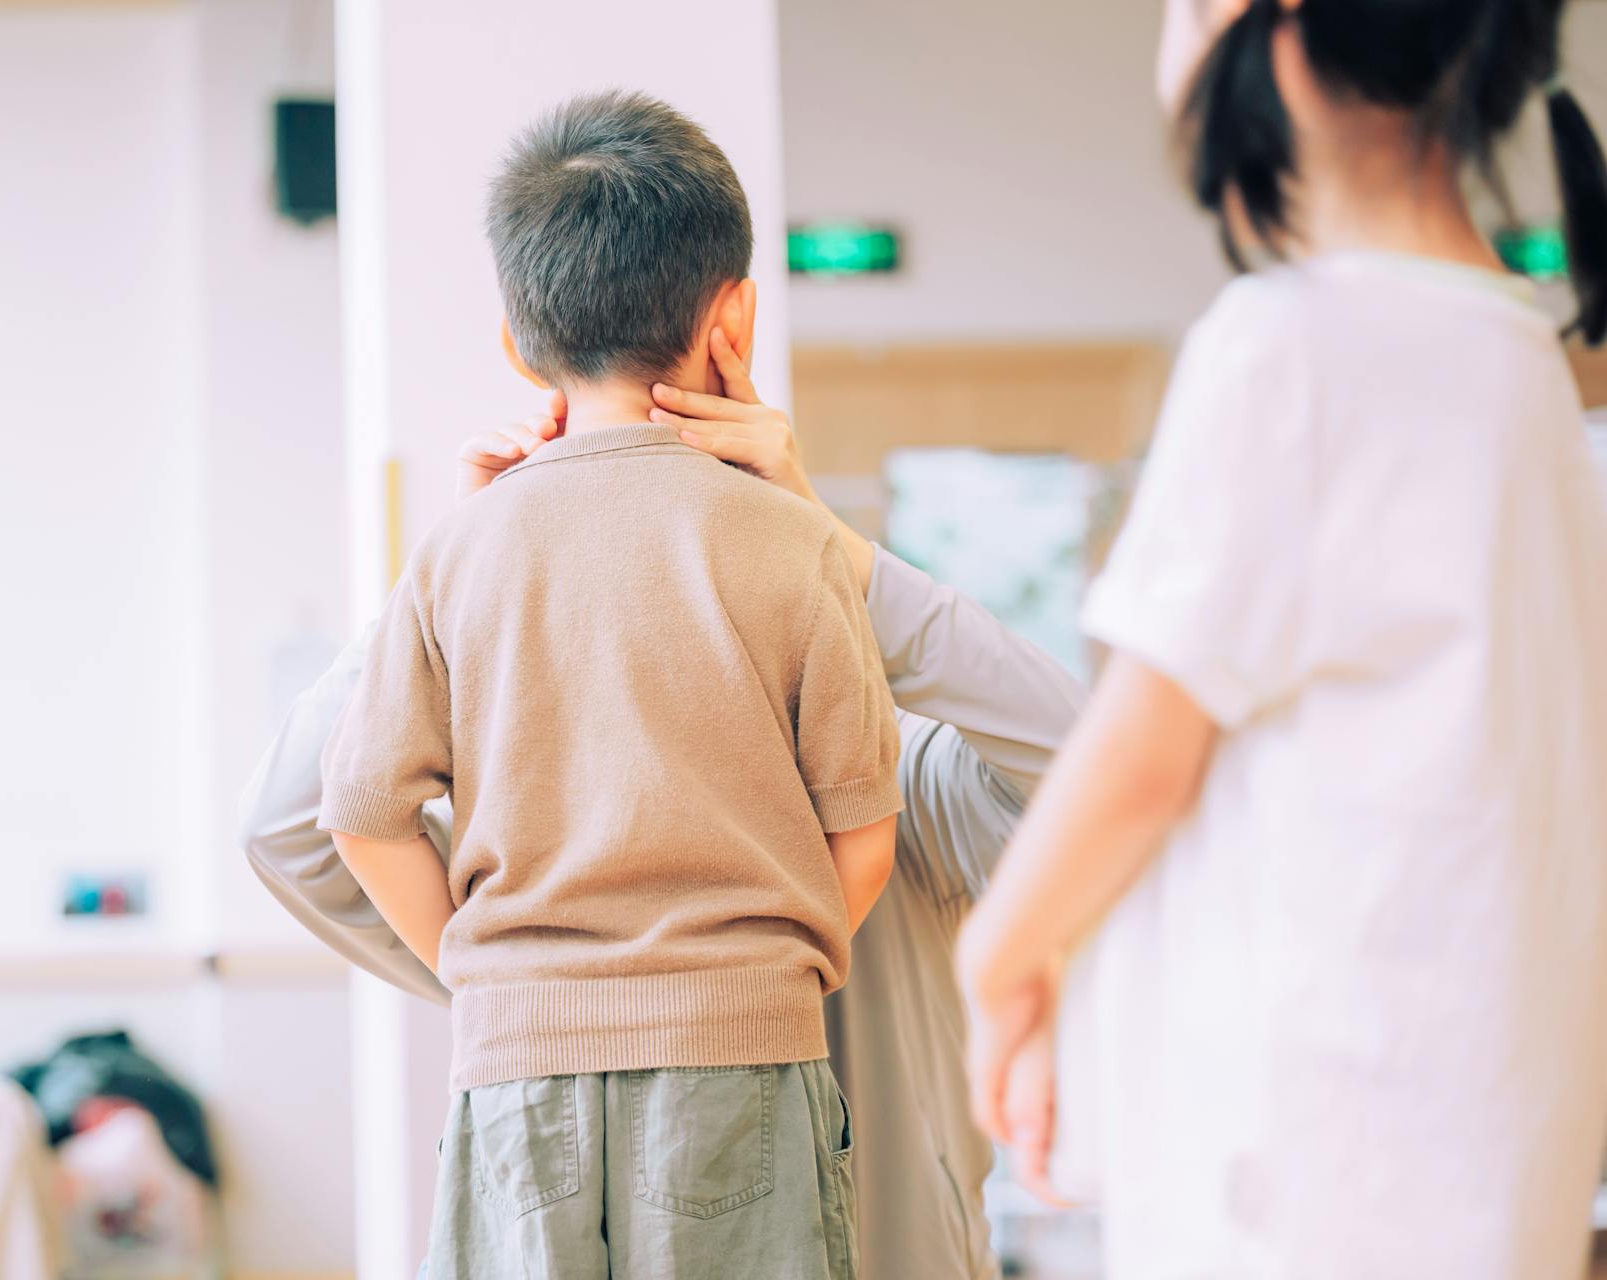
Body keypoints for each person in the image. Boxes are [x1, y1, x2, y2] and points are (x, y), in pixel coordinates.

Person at [929, 1, 1607, 1277]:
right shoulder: (1522, 362)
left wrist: (999, 954)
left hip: (1315, 1170)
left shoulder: (1288, 347)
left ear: (1274, 27)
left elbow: (1143, 751)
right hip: (1482, 1152)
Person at [315, 90, 911, 1279]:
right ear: (732, 312)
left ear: (516, 339)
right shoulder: (792, 542)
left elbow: (362, 808)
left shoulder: (461, 546)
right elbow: (864, 840)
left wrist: (495, 976)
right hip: (741, 1066)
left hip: (513, 1069)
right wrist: (745, 975)